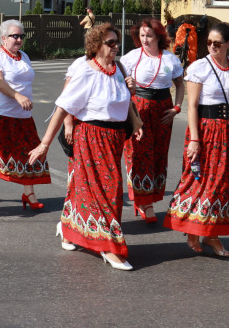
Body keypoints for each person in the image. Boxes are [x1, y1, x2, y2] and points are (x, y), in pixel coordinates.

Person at [28, 23, 144, 271]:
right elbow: (63, 107)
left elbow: (125, 102)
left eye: (117, 43)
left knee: (87, 188)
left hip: (114, 138)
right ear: (96, 46)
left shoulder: (117, 69)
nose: (115, 47)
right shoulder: (86, 72)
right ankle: (109, 248)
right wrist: (44, 144)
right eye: (110, 43)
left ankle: (70, 229)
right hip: (91, 137)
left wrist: (135, 121)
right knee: (107, 192)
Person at [161, 21, 229, 257]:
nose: (211, 47)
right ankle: (192, 231)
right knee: (199, 181)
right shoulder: (200, 67)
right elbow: (192, 106)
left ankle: (212, 234)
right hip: (204, 130)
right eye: (208, 42)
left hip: (225, 132)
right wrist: (195, 139)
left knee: (223, 183)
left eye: (216, 44)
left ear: (227, 44)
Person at [0, 20, 49, 208]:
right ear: (3, 38)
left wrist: (23, 99)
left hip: (22, 116)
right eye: (14, 36)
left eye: (21, 36)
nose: (18, 39)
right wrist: (18, 96)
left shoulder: (23, 56)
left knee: (29, 152)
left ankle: (29, 193)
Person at [119, 18, 186, 222]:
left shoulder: (169, 59)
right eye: (141, 35)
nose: (145, 39)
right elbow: (119, 81)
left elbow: (180, 85)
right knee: (139, 153)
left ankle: (149, 198)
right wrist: (127, 85)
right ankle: (144, 202)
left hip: (163, 109)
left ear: (158, 36)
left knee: (158, 153)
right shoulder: (131, 57)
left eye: (149, 35)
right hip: (138, 108)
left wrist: (176, 107)